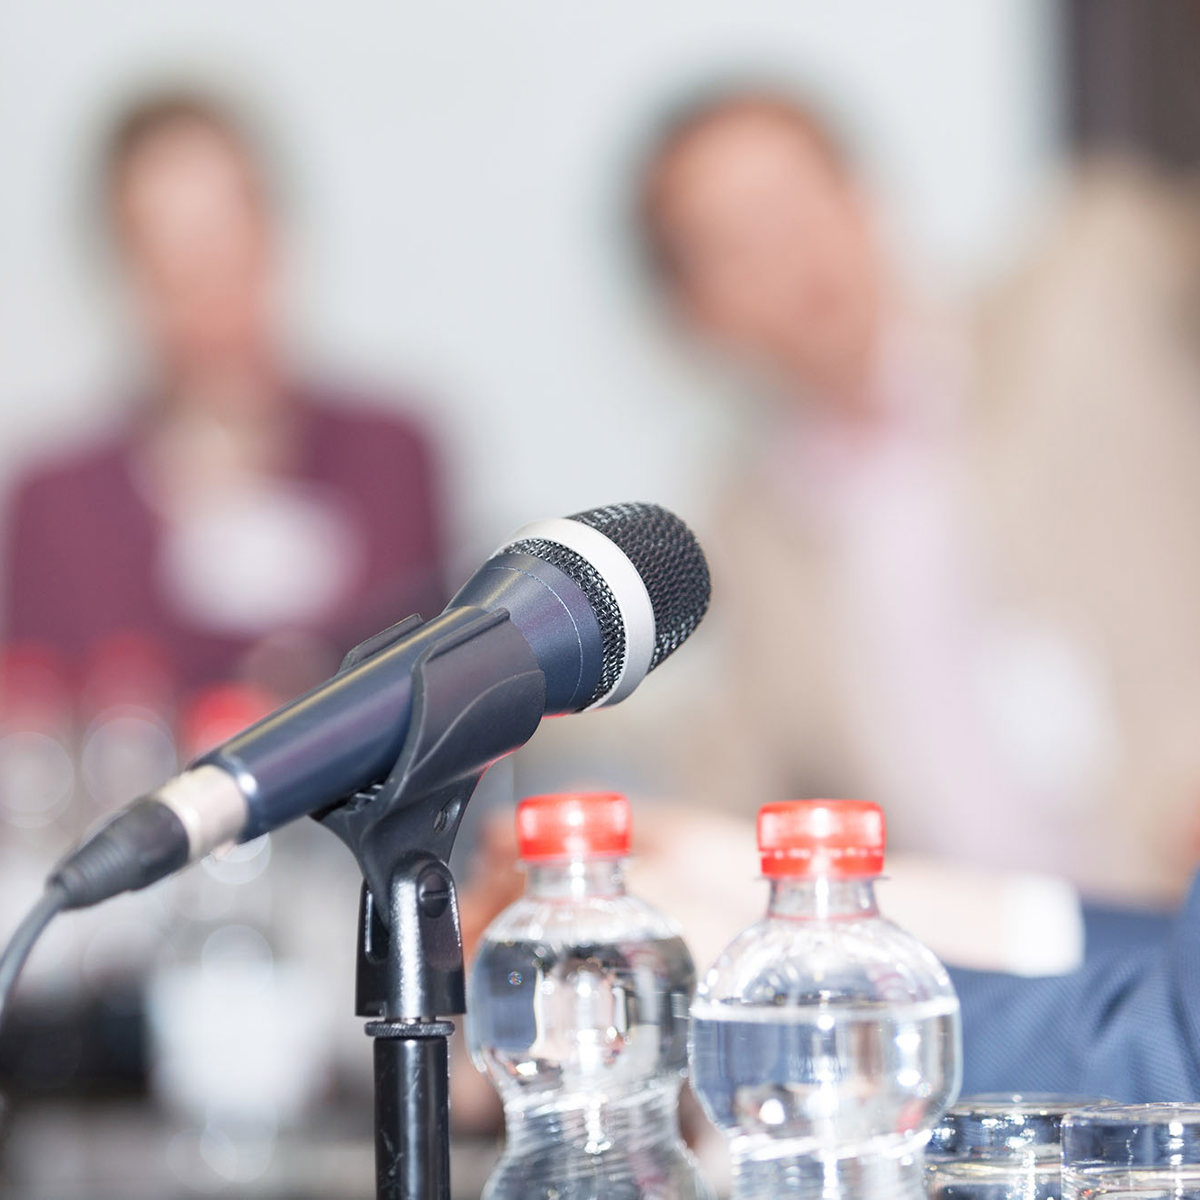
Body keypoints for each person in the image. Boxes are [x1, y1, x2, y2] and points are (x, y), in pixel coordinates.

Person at [612, 85, 1200, 905]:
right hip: (984, 979)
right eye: (739, 242)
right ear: (694, 312)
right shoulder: (747, 531)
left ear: (863, 195)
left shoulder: (1086, 287)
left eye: (796, 202)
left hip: (1174, 895)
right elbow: (729, 787)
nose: (793, 254)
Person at [1, 91, 446, 703]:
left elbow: (433, 690)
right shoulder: (58, 503)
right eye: (169, 243)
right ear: (126, 269)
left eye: (230, 225)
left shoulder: (391, 455)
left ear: (277, 232)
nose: (210, 269)